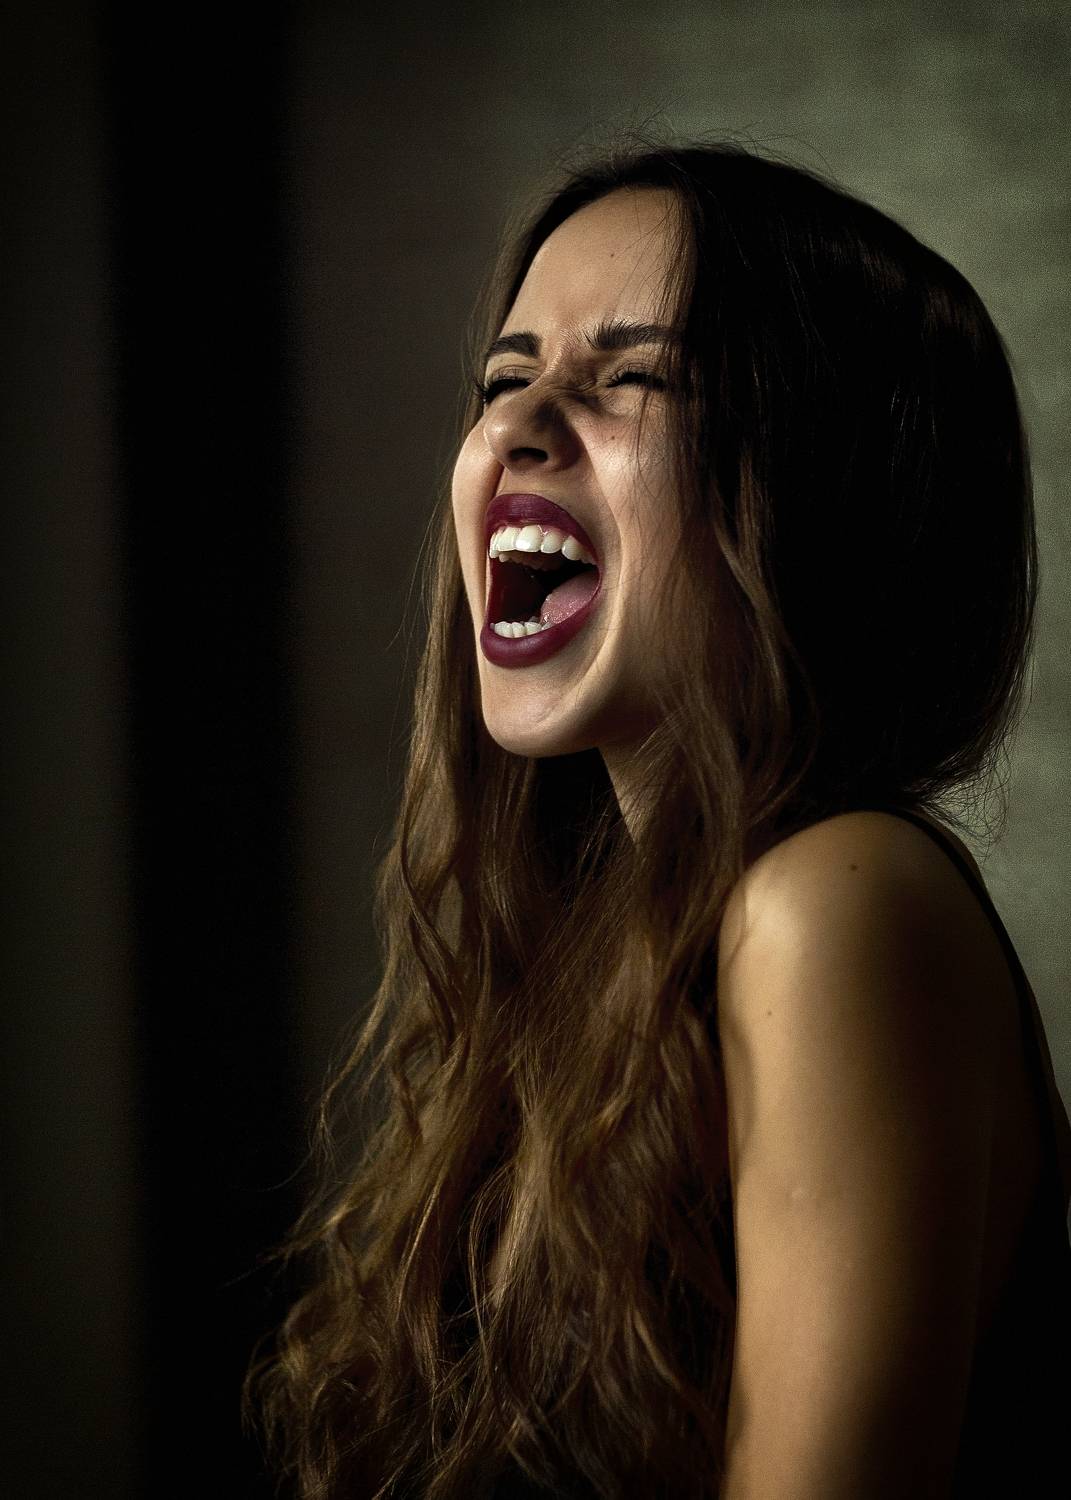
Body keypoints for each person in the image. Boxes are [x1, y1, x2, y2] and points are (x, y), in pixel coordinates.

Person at [249, 139, 1071, 1499]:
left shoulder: (835, 898)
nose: (517, 428)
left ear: (824, 482)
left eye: (632, 378)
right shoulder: (596, 964)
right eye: (503, 381)